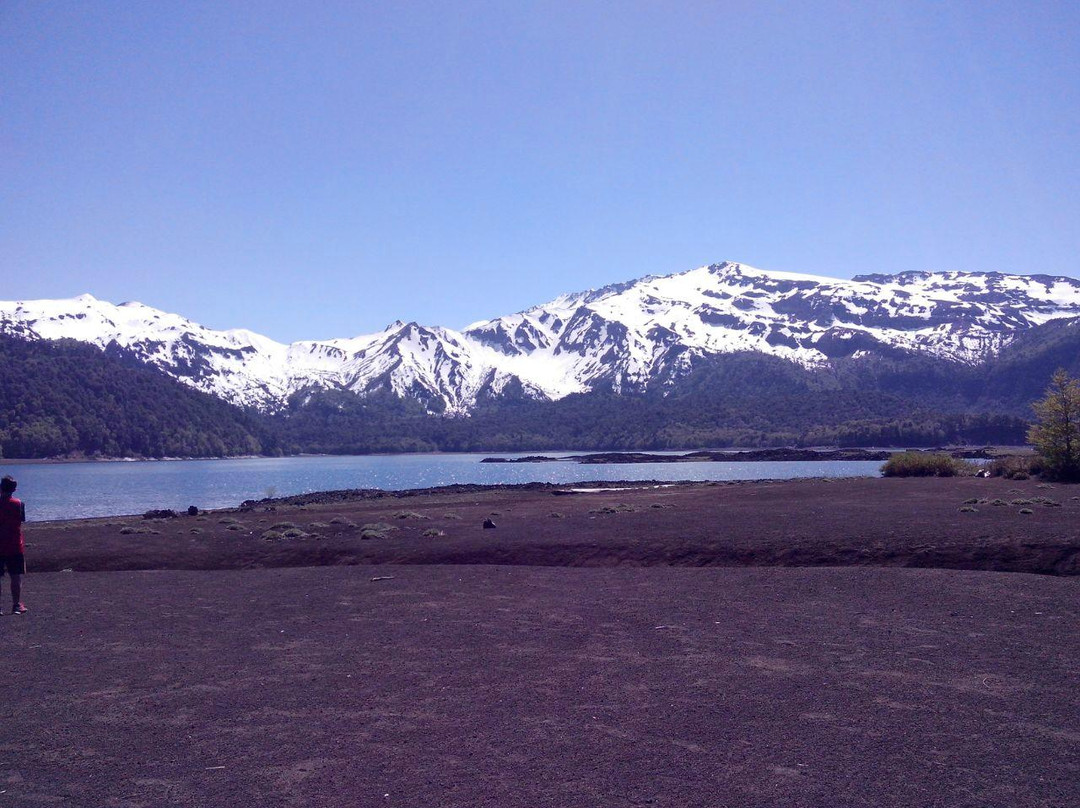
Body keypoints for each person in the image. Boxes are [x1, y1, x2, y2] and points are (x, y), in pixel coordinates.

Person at [0, 475, 27, 615]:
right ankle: (16, 605)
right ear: (14, 489)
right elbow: (20, 520)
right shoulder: (19, 504)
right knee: (15, 576)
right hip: (15, 545)